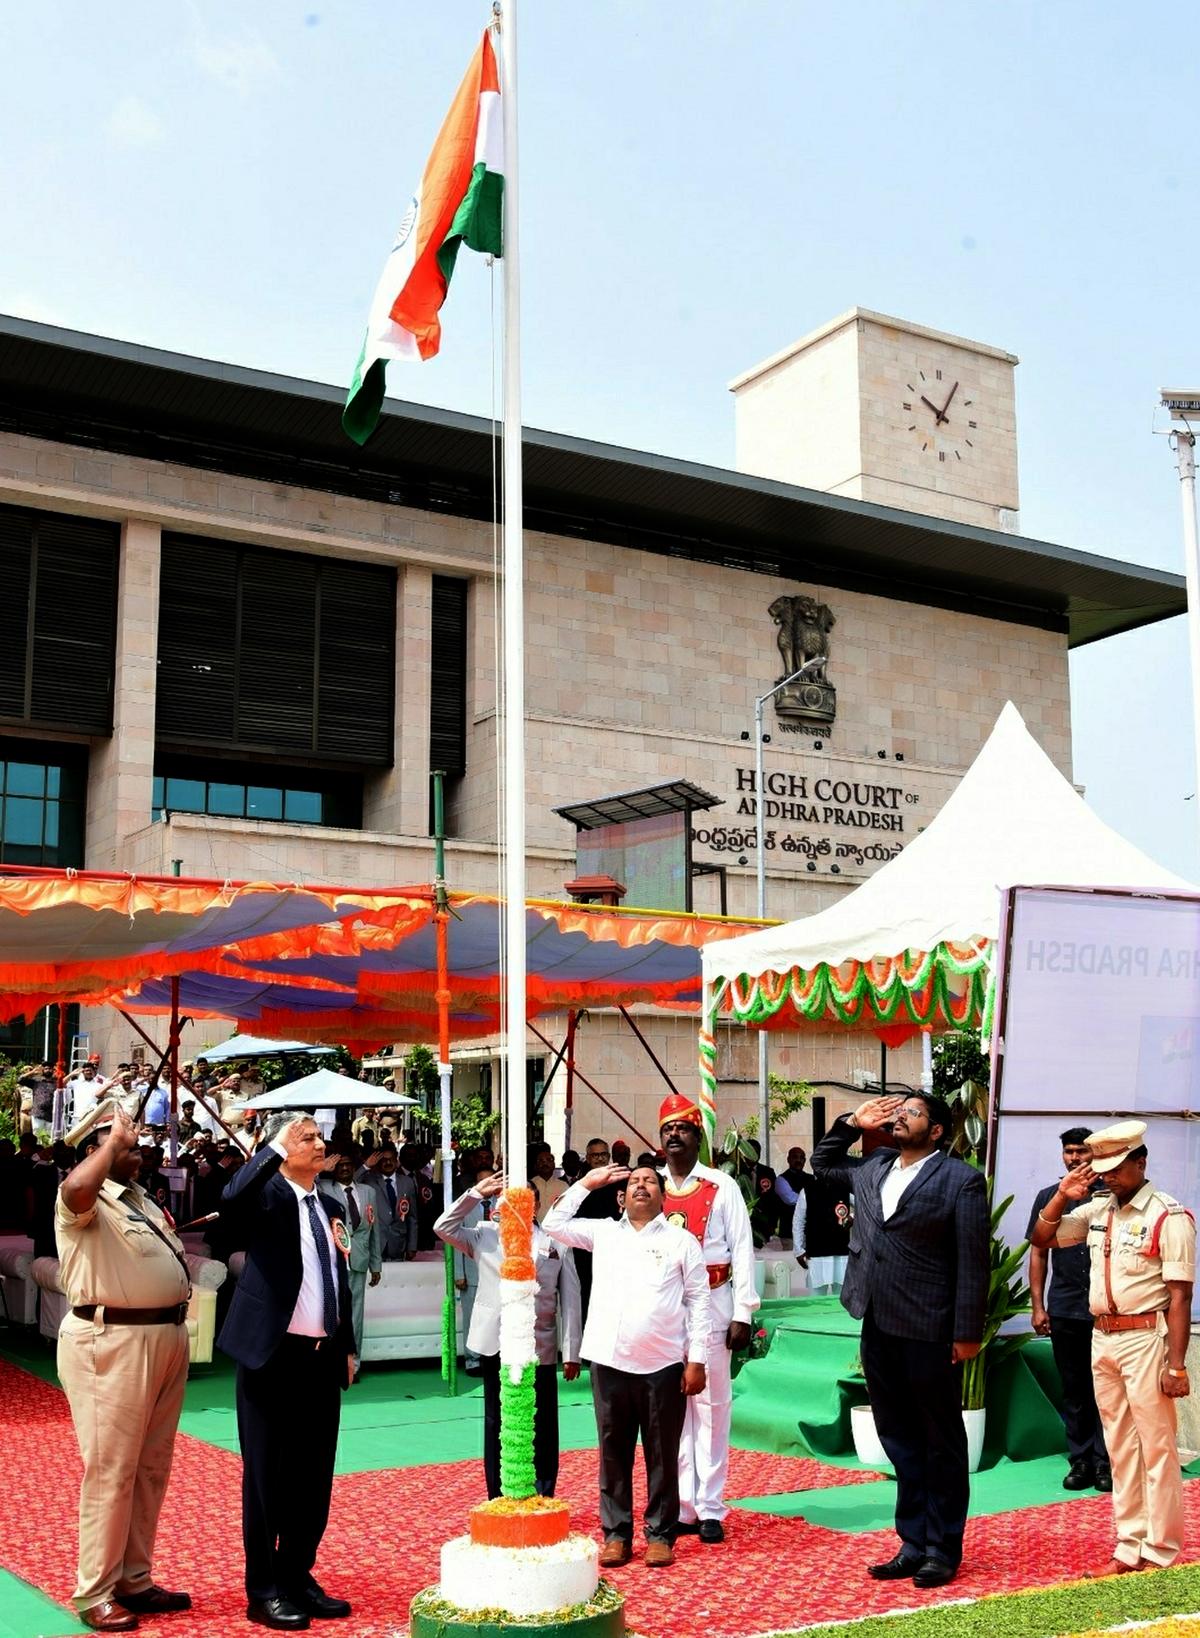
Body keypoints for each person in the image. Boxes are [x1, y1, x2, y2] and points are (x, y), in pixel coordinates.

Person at [812, 1092, 988, 1589]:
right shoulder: (873, 1167)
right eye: (899, 1110)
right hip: (877, 1322)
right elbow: (823, 1166)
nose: (900, 1117)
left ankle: (942, 1548)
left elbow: (972, 1260)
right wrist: (852, 1121)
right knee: (898, 1437)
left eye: (912, 1112)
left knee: (941, 1441)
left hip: (930, 1326)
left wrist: (967, 1332)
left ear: (935, 1131)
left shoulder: (960, 1180)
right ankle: (912, 1543)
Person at [1030, 1120, 1195, 1575]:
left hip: (1146, 1337)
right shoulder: (1098, 1210)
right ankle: (1128, 1546)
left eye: (1117, 1167)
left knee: (1157, 1448)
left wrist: (1177, 1366)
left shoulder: (1169, 1215)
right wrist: (1063, 1195)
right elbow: (1042, 1239)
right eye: (1103, 1168)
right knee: (1120, 1446)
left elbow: (1180, 1295)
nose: (1107, 1176)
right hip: (1101, 1336)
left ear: (1141, 1162)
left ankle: (1160, 1551)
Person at [55, 1102, 192, 1632]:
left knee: (151, 1468)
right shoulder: (83, 1197)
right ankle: (95, 1592)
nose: (140, 1155)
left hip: (164, 1337)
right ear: (97, 1151)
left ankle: (134, 1577)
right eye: (128, 1149)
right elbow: (73, 1192)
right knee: (111, 1470)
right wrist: (111, 1143)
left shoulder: (138, 1199)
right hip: (110, 1341)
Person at [218, 1112, 356, 1631]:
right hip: (271, 1357)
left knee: (313, 1476)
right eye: (308, 1137)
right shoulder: (268, 1197)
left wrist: (346, 1345)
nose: (320, 1144)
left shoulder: (332, 1205)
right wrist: (275, 1148)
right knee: (266, 1479)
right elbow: (230, 1199)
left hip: (321, 1359)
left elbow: (338, 1281)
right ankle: (265, 1589)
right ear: (280, 1145)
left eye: (321, 1137)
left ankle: (298, 1575)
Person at [544, 1162, 709, 1569]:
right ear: (621, 1196)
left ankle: (660, 1535)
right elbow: (552, 1223)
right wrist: (586, 1183)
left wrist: (698, 1359)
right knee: (613, 1453)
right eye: (634, 1181)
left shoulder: (681, 1241)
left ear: (661, 1195)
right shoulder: (603, 1233)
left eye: (649, 1181)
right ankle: (616, 1534)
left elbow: (700, 1302)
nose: (640, 1186)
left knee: (662, 1454)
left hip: (664, 1364)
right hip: (609, 1361)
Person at [436, 1170, 582, 1497]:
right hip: (495, 1341)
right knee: (496, 1419)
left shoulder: (554, 1241)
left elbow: (570, 1298)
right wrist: (475, 1192)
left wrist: (571, 1351)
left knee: (543, 1421)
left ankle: (544, 1490)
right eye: (510, 1199)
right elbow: (443, 1227)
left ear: (536, 1204)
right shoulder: (485, 1235)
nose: (516, 1205)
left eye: (525, 1199)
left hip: (539, 1344)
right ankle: (497, 1492)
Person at [658, 1092, 758, 1543]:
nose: (674, 1135)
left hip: (715, 1303)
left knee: (713, 1408)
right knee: (673, 1412)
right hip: (664, 1312)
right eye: (667, 1129)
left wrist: (744, 1310)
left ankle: (712, 1505)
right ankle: (683, 1506)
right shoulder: (651, 1186)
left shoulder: (722, 1185)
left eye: (683, 1128)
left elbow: (741, 1247)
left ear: (698, 1135)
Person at [1027, 1126, 1110, 1492]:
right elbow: (1038, 1250)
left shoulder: (1111, 1195)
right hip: (1064, 1307)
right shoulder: (1051, 1196)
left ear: (1094, 1155)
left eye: (1081, 1152)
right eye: (1069, 1152)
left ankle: (1107, 1463)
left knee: (1106, 1389)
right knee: (1074, 1389)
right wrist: (1037, 1305)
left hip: (1107, 1311)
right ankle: (1080, 1461)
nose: (1075, 1158)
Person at [318, 1154, 381, 1373]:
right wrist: (321, 1168)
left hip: (359, 1260)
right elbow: (306, 1184)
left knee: (355, 1314)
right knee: (330, 1311)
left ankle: (352, 1365)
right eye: (339, 1165)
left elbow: (375, 1229)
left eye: (348, 1165)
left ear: (354, 1168)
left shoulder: (368, 1192)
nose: (344, 1169)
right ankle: (331, 1363)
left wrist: (376, 1264)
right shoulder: (324, 1187)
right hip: (332, 1259)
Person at [786, 1146, 853, 1295]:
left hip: (841, 1254)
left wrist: (852, 1217)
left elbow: (865, 1206)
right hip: (816, 1253)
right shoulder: (807, 1190)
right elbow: (798, 1221)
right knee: (815, 1301)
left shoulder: (846, 1188)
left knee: (840, 1303)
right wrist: (799, 1250)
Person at [573, 1136, 623, 1323]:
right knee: (589, 1294)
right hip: (587, 1251)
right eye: (595, 1155)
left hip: (616, 1248)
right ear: (587, 1158)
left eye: (603, 1154)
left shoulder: (621, 1179)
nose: (600, 1159)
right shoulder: (580, 1185)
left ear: (609, 1156)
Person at [357, 1144, 418, 1261]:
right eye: (384, 1160)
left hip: (398, 1244)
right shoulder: (369, 1180)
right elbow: (351, 1183)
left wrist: (412, 1246)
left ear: (397, 1161)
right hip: (375, 1243)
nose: (388, 1163)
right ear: (378, 1162)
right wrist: (366, 1166)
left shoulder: (407, 1182)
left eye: (391, 1160)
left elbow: (412, 1217)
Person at [529, 1143, 567, 1222]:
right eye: (541, 1161)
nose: (545, 1163)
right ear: (536, 1165)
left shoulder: (564, 1186)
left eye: (549, 1160)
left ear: (554, 1165)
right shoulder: (529, 1185)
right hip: (534, 1229)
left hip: (556, 1230)